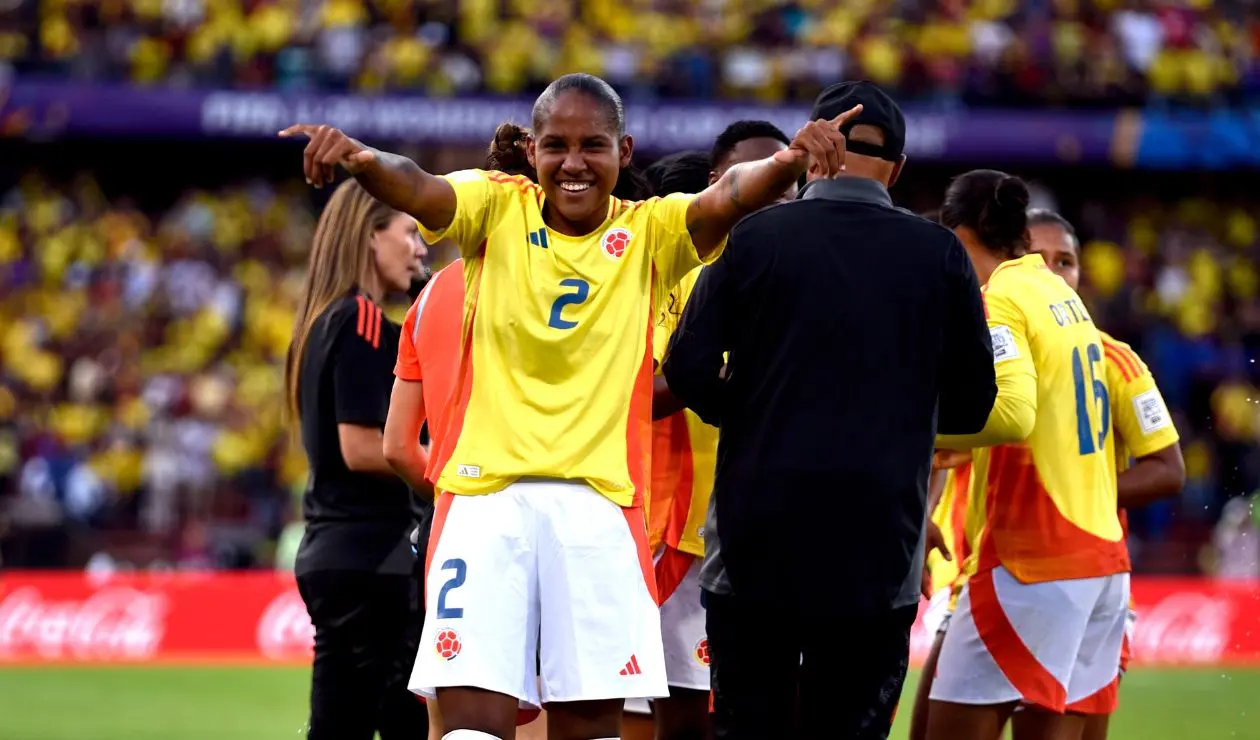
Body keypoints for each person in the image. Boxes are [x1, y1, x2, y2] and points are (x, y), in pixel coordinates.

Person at [281, 72, 860, 740]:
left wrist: (789, 159)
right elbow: (419, 186)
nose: (574, 163)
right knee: (472, 727)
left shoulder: (653, 232)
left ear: (626, 150)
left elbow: (727, 194)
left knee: (591, 730)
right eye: (556, 145)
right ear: (531, 151)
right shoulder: (495, 206)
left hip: (597, 511)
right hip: (486, 506)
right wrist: (361, 158)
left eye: (593, 145)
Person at [661, 81, 997, 739]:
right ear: (897, 169)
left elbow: (687, 368)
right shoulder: (939, 254)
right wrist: (898, 414)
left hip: (755, 544)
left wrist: (753, 413)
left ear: (812, 153)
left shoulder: (754, 239)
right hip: (878, 547)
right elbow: (976, 400)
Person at [926, 171, 1130, 740]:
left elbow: (1015, 415)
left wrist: (922, 434)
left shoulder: (999, 299)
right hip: (1100, 559)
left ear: (960, 234)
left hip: (1031, 559)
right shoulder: (1062, 295)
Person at [627, 120, 799, 740]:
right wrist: (732, 378)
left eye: (787, 183)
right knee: (684, 720)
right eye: (758, 178)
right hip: (683, 532)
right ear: (720, 184)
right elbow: (636, 394)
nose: (773, 193)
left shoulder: (794, 276)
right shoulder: (681, 276)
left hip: (773, 531)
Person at [1021, 209, 1184, 740]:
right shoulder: (986, 350)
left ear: (1081, 274)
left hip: (1087, 580)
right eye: (1035, 258)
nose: (1051, 271)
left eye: (1064, 260)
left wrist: (1078, 491)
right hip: (991, 574)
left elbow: (1167, 468)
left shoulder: (1115, 360)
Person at [284, 179, 430, 740]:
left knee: (339, 724)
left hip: (339, 551)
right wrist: (451, 472)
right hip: (374, 554)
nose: (420, 247)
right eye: (410, 231)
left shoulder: (323, 321)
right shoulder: (361, 320)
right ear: (371, 235)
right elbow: (363, 446)